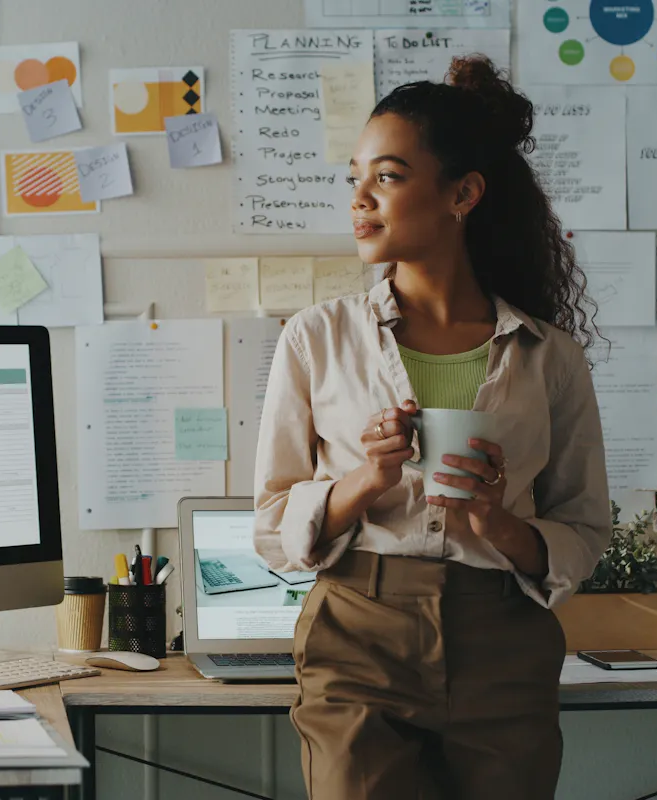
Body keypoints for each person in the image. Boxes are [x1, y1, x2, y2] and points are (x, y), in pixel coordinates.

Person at [253, 55, 612, 800]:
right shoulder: (315, 338)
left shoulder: (551, 356)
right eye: (354, 178)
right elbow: (272, 524)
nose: (359, 199)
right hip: (358, 634)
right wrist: (367, 479)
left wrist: (496, 521)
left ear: (463, 194)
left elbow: (584, 530)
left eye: (386, 177)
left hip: (504, 643)